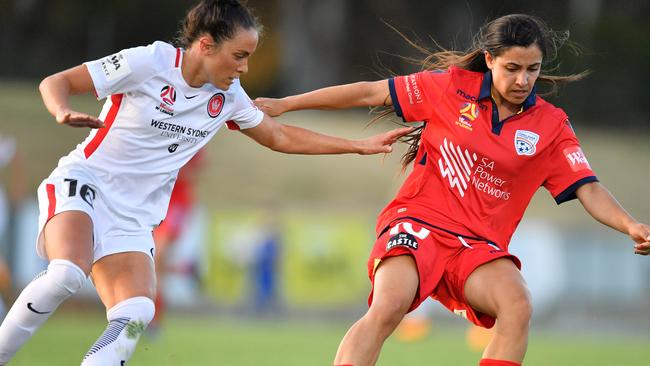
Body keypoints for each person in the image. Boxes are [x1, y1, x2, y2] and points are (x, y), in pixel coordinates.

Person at [0, 0, 412, 364]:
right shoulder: (150, 62)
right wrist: (60, 110)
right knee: (66, 274)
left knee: (136, 313)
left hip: (133, 216)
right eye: (239, 55)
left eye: (250, 57)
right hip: (86, 182)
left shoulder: (229, 97)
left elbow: (280, 136)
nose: (245, 67)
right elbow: (56, 82)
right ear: (205, 45)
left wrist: (357, 146)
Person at [254, 14, 650, 366]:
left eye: (532, 69)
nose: (523, 80)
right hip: (418, 223)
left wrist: (630, 224)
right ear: (490, 59)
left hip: (477, 246)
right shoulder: (447, 89)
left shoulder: (551, 125)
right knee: (390, 306)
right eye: (512, 68)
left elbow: (589, 187)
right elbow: (366, 92)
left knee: (517, 305)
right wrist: (287, 103)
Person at [149, 149, 204, 335]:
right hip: (155, 197)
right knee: (152, 262)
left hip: (177, 200)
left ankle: (154, 319)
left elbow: (196, 169)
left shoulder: (193, 132)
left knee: (157, 258)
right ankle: (184, 268)